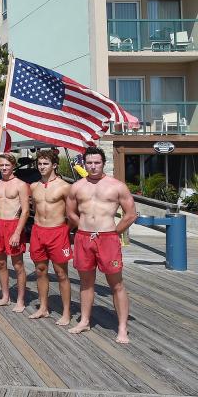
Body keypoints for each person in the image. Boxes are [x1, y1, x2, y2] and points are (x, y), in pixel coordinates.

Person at [66, 146, 136, 343]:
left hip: (108, 238)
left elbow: (131, 214)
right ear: (84, 164)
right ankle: (84, 321)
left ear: (103, 163)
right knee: (86, 282)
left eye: (97, 163)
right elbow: (70, 211)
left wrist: (115, 232)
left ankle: (122, 328)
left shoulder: (117, 186)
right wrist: (82, 226)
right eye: (89, 163)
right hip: (84, 237)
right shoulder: (77, 186)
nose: (93, 166)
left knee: (116, 284)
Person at [29, 148, 73, 325]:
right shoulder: (34, 186)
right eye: (39, 164)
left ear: (54, 165)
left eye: (45, 163)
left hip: (58, 232)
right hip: (38, 231)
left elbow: (73, 214)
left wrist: (65, 230)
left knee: (61, 273)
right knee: (40, 271)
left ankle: (66, 313)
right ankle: (43, 308)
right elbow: (34, 210)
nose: (41, 167)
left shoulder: (64, 187)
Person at [0, 153, 30, 312]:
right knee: (0, 263)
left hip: (13, 225)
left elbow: (25, 211)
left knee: (17, 265)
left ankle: (20, 300)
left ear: (13, 166)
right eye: (1, 165)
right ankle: (5, 296)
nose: (3, 168)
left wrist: (17, 232)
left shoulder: (21, 184)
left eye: (6, 165)